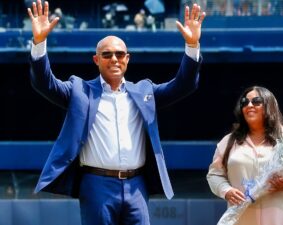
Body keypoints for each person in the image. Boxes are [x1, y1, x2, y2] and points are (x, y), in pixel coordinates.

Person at [27, 1, 205, 225]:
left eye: (120, 54)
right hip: (96, 184)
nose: (114, 59)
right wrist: (39, 42)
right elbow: (45, 84)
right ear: (96, 60)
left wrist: (192, 45)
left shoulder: (144, 91)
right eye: (107, 54)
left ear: (127, 59)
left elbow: (183, 85)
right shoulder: (79, 90)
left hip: (137, 184)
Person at [207, 86, 283, 225]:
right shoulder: (229, 142)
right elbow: (214, 175)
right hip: (241, 219)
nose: (249, 105)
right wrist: (226, 190)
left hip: (278, 218)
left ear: (269, 105)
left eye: (256, 101)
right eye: (244, 102)